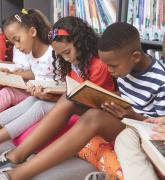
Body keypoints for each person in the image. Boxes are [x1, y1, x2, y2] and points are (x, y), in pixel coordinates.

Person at [0, 16, 118, 180]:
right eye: (61, 55)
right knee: (39, 100)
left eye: (67, 52)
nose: (66, 58)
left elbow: (89, 101)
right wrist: (49, 96)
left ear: (79, 42)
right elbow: (73, 95)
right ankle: (16, 155)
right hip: (76, 106)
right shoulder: (73, 64)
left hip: (93, 111)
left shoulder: (98, 66)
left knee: (45, 104)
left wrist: (56, 98)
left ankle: (17, 156)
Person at [0, 8, 56, 112]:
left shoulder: (53, 53)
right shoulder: (29, 53)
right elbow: (36, 72)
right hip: (35, 93)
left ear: (32, 32)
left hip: (46, 98)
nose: (16, 47)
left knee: (33, 104)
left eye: (17, 40)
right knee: (6, 92)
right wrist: (12, 74)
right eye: (13, 43)